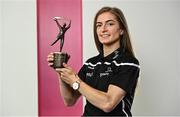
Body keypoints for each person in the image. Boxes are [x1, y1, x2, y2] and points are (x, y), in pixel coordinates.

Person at [47, 6, 140, 116]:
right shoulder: (91, 63)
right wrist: (61, 71)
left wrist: (75, 81)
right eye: (99, 25)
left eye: (110, 24)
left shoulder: (128, 62)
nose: (103, 29)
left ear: (121, 30)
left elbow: (108, 103)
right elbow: (69, 100)